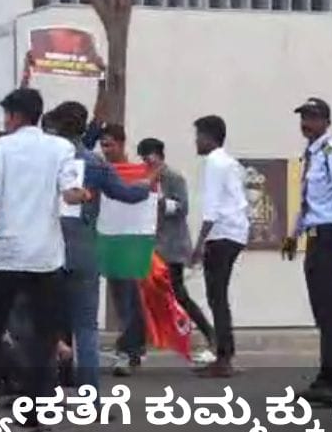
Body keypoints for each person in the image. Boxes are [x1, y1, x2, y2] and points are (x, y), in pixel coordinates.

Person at [0, 87, 87, 432]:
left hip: (6, 254)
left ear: (14, 116)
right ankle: (37, 418)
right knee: (44, 338)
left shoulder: (1, 147)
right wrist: (77, 194)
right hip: (45, 255)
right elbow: (70, 192)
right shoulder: (61, 148)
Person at [46, 102, 156, 393]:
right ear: (85, 128)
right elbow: (127, 194)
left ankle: (48, 393)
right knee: (86, 327)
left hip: (47, 248)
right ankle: (90, 399)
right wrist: (147, 182)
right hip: (83, 247)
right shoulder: (95, 163)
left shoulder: (45, 159)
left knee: (47, 324)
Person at [281, 97, 332, 405]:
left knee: (330, 312)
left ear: (326, 122)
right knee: (321, 311)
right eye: (303, 117)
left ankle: (331, 381)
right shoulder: (311, 155)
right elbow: (308, 202)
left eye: (313, 117)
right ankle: (326, 376)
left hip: (331, 238)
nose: (306, 123)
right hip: (315, 239)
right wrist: (294, 234)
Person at [137, 137, 216, 364]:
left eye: (148, 158)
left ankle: (210, 335)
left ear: (159, 156)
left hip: (172, 246)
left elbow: (183, 207)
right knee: (146, 295)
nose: (146, 163)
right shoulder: (144, 178)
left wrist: (158, 201)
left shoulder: (173, 177)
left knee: (178, 294)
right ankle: (141, 344)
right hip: (152, 246)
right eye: (143, 159)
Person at [189, 115, 249, 378]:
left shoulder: (214, 162)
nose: (195, 141)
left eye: (198, 136)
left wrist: (199, 244)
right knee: (219, 296)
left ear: (208, 137)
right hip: (235, 233)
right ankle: (225, 354)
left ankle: (224, 358)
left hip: (221, 234)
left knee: (217, 297)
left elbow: (212, 207)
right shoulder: (230, 162)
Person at [97, 124, 147, 375]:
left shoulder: (138, 172)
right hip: (109, 241)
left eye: (109, 145)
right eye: (102, 145)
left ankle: (128, 350)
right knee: (123, 298)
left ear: (121, 143)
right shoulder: (101, 171)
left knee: (129, 298)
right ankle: (133, 348)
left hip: (132, 242)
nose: (105, 150)